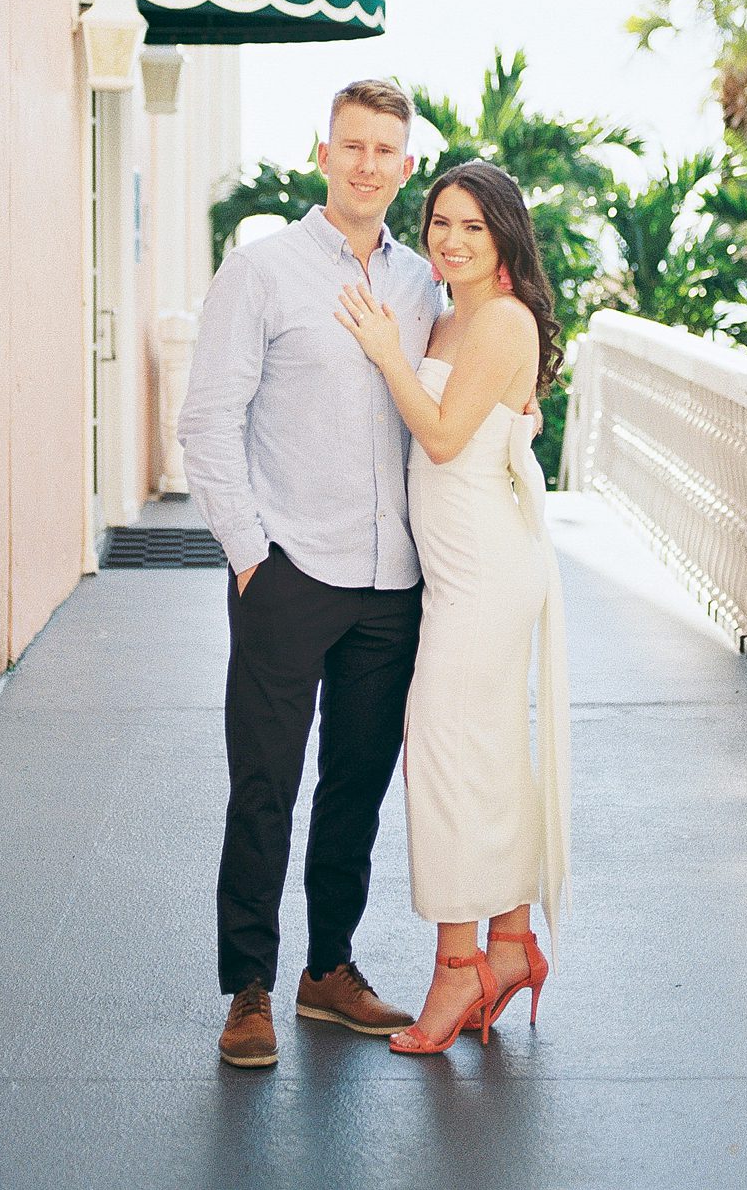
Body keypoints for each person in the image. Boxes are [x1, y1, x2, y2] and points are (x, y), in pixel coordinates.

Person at [178, 77, 443, 1070]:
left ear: (405, 165)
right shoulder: (263, 271)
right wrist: (252, 557)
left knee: (356, 788)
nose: (368, 163)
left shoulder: (424, 286)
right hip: (291, 571)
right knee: (265, 784)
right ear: (322, 154)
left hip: (391, 582)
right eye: (353, 145)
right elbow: (209, 421)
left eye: (387, 149)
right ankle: (248, 985)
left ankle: (329, 969)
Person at [335, 159, 571, 1055]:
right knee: (484, 754)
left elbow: (438, 441)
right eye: (440, 222)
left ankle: (456, 967)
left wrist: (387, 353)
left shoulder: (502, 322)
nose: (451, 239)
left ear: (503, 234)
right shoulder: (447, 315)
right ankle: (508, 945)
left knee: (442, 753)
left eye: (473, 225)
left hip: (483, 569)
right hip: (456, 568)